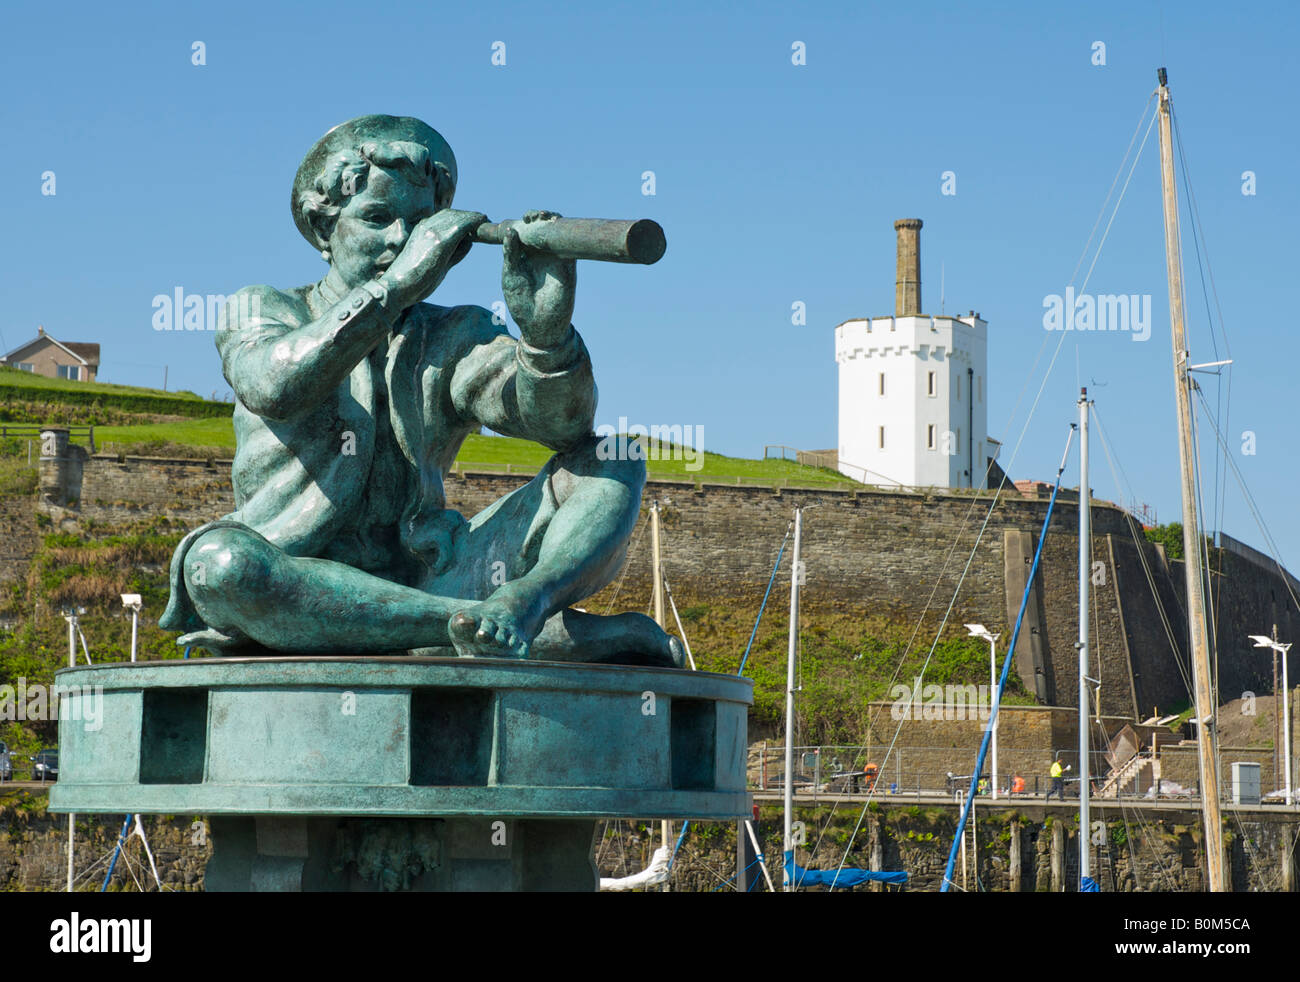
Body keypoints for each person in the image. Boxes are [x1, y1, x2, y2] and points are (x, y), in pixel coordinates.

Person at [159, 115, 681, 667]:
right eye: (377, 218)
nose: (400, 241)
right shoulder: (263, 308)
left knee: (611, 459)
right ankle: (466, 627)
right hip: (292, 568)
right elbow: (274, 385)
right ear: (322, 229)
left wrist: (546, 338)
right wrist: (394, 288)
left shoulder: (456, 332)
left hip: (438, 571)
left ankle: (522, 607)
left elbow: (563, 428)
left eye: (417, 224)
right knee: (217, 565)